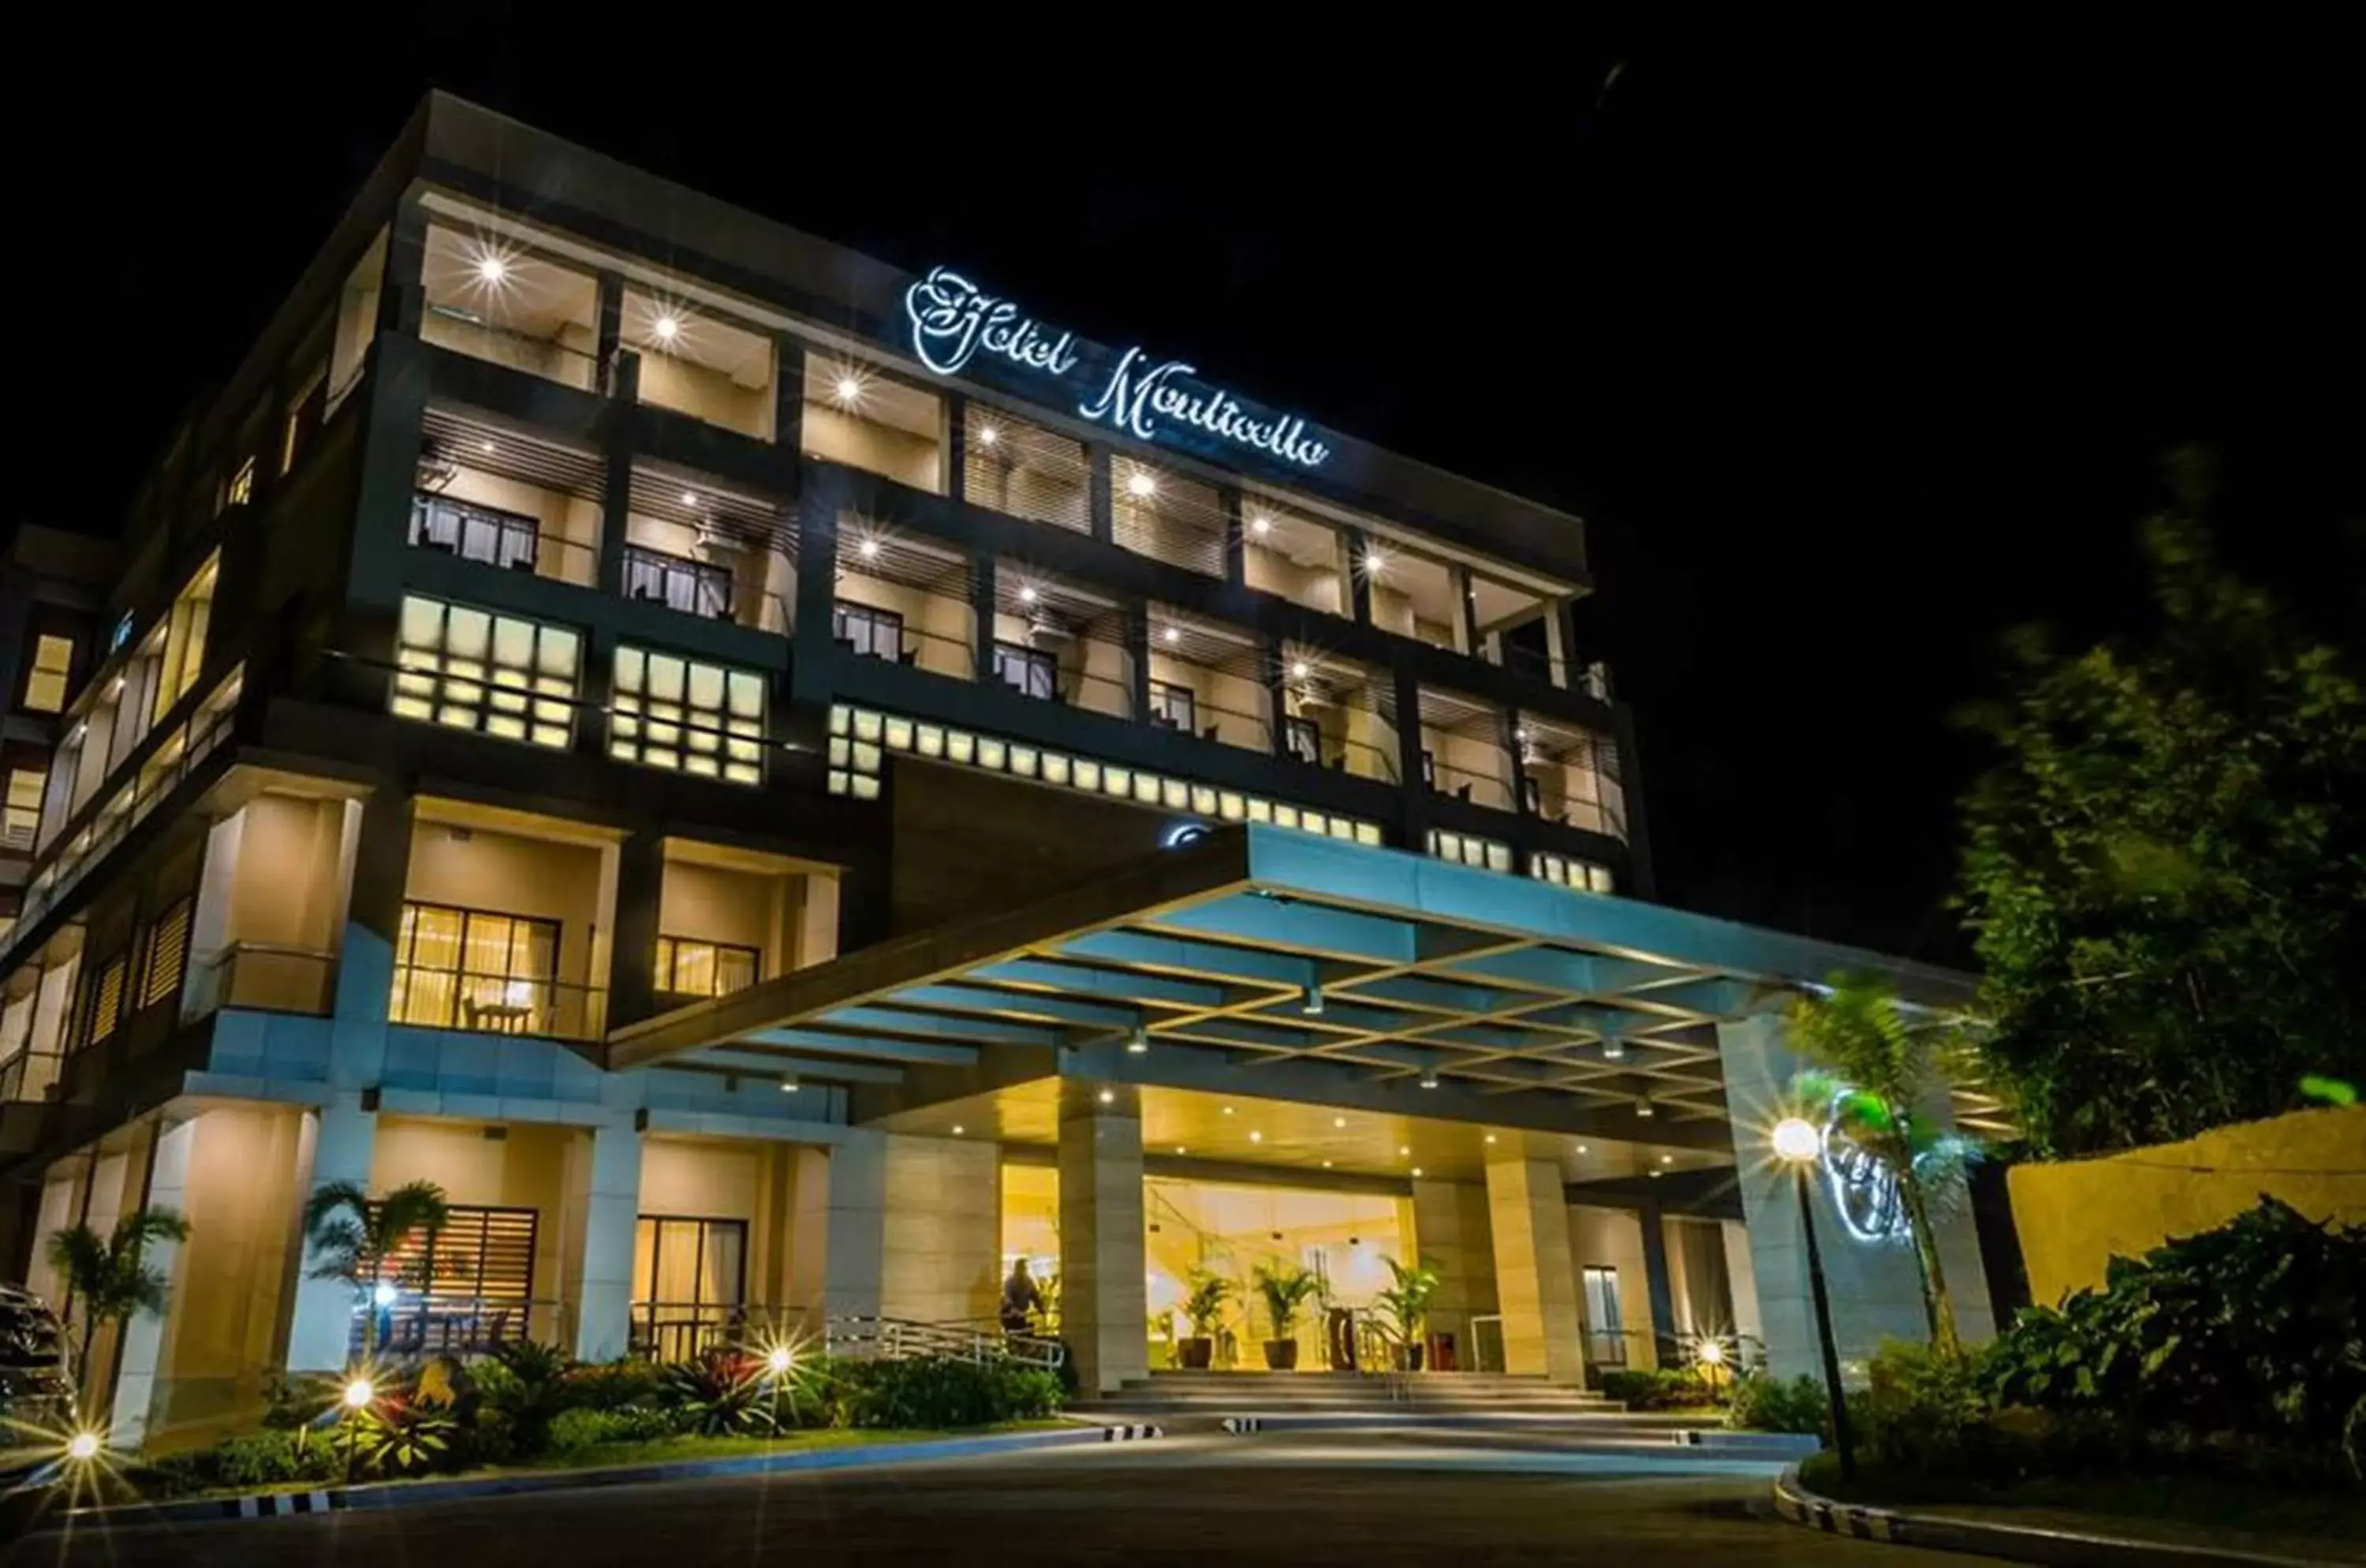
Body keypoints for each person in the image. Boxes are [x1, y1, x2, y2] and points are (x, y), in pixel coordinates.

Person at [1000, 1258, 1044, 1335]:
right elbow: (1008, 1298)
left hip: (1022, 1313)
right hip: (1010, 1314)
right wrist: (1014, 1310)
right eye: (1021, 1268)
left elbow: (1035, 1295)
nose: (1022, 1271)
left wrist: (1040, 1307)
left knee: (1024, 1333)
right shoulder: (1011, 1281)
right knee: (1014, 1335)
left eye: (1024, 1268)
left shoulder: (1028, 1281)